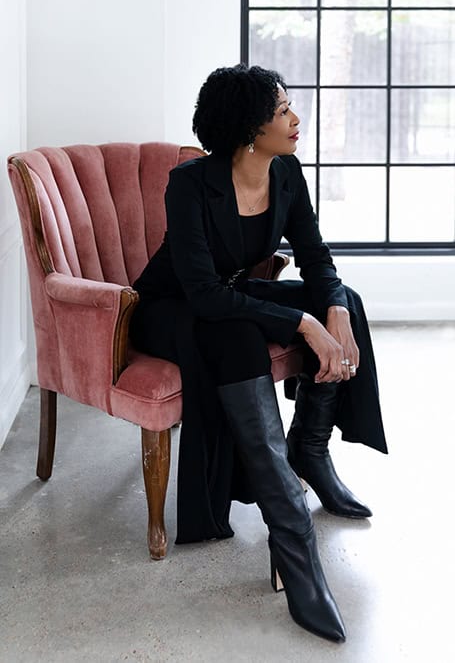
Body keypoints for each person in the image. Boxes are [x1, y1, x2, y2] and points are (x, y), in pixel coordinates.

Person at [130, 64, 387, 642]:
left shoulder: (286, 171)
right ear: (249, 127)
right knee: (240, 333)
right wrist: (302, 322)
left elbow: (316, 256)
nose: (295, 120)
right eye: (282, 112)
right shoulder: (190, 184)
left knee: (345, 298)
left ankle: (311, 452)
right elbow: (201, 293)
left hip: (230, 296)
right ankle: (293, 539)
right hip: (170, 308)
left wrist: (334, 312)